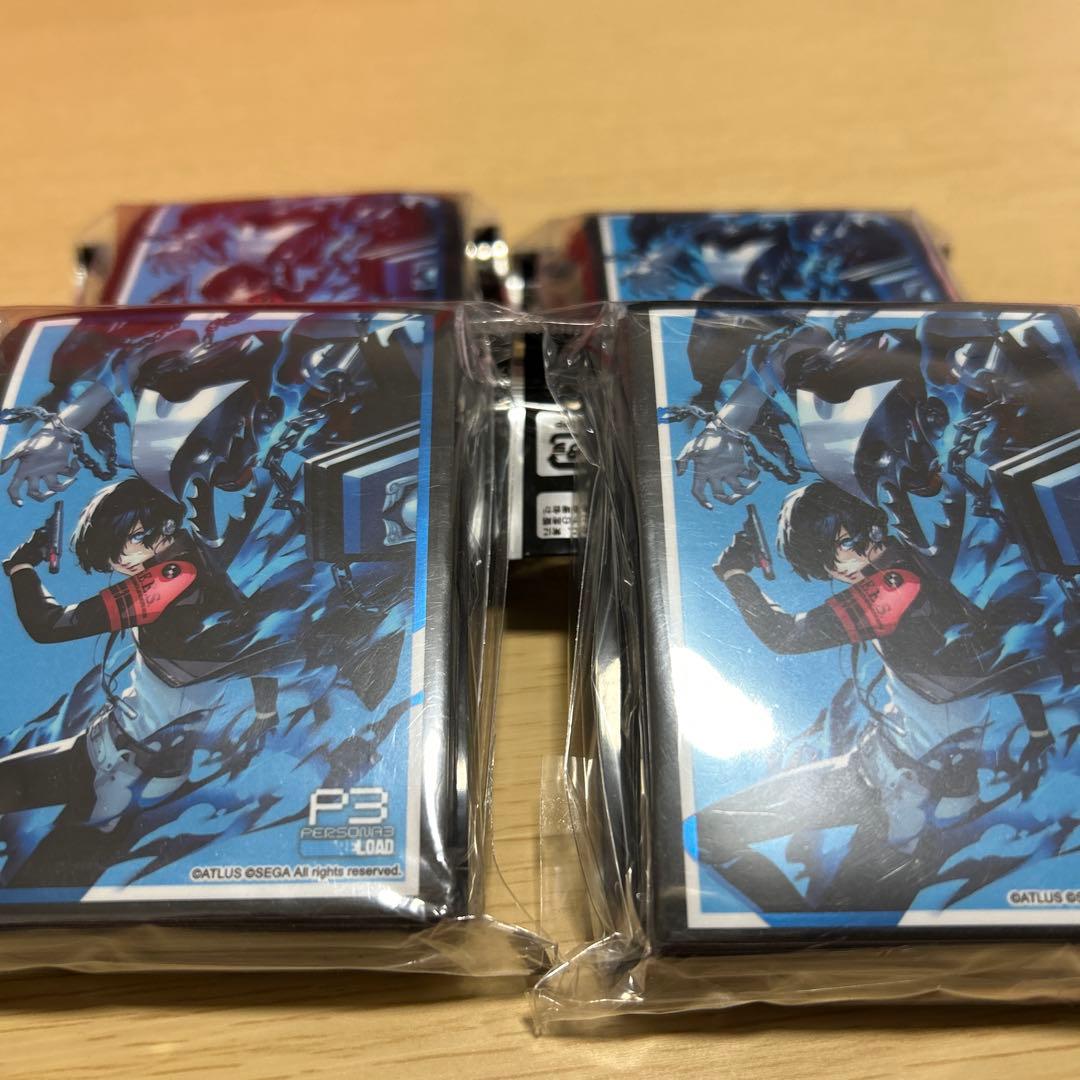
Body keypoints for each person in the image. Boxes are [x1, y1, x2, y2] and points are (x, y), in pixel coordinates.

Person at [696, 480, 1053, 911]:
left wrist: (735, 576)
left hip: (915, 806)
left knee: (833, 930)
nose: (847, 561)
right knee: (708, 831)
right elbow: (1006, 662)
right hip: (873, 767)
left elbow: (785, 635)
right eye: (832, 555)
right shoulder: (913, 571)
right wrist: (1038, 731)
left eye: (849, 541)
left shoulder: (898, 584)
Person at [0, 477, 276, 885]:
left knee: (34, 888)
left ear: (165, 524)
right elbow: (258, 646)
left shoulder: (171, 578)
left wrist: (21, 568)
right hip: (106, 748)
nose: (123, 559)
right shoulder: (190, 557)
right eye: (115, 548)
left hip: (128, 779)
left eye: (135, 538)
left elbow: (50, 624)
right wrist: (265, 713)